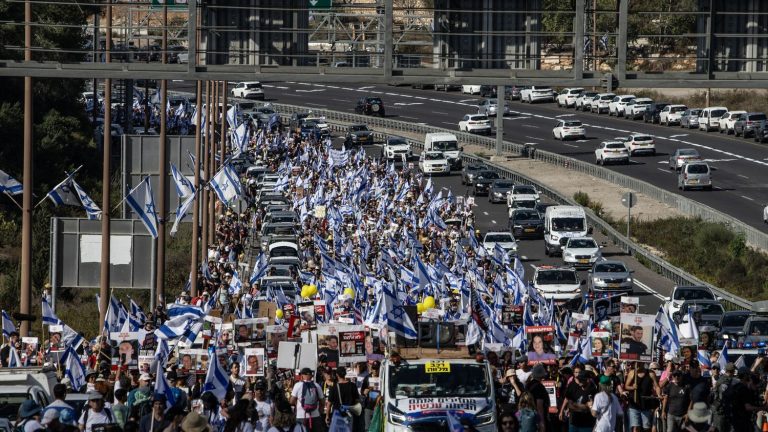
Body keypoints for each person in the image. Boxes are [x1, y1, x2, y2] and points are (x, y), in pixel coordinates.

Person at [624, 362, 660, 432]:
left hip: (646, 404)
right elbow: (626, 386)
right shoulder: (632, 372)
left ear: (643, 363)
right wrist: (632, 387)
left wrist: (659, 395)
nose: (636, 365)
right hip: (634, 404)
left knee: (646, 428)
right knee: (635, 427)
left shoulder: (650, 373)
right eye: (635, 364)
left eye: (638, 363)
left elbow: (657, 386)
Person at [325, 367, 362, 432]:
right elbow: (357, 401)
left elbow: (329, 404)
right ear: (345, 374)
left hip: (337, 414)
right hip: (349, 414)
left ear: (337, 375)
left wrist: (327, 416)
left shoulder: (334, 387)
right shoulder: (352, 385)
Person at [290, 368, 325, 432]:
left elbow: (291, 401)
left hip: (301, 416)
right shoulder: (317, 385)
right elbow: (323, 402)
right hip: (315, 415)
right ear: (311, 376)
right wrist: (319, 412)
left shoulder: (297, 385)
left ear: (302, 376)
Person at [525, 364, 549, 432]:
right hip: (536, 419)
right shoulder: (539, 387)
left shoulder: (528, 385)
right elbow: (539, 406)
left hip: (529, 416)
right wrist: (542, 423)